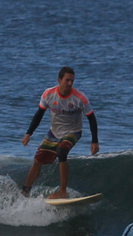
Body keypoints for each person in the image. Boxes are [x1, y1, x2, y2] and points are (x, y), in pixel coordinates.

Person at [20, 66, 99, 198]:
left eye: (72, 80)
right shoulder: (48, 94)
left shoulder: (80, 98)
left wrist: (94, 141)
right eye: (67, 80)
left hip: (73, 131)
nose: (70, 83)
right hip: (54, 132)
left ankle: (63, 191)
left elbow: (92, 118)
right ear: (59, 80)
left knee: (61, 151)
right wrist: (29, 133)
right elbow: (39, 114)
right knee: (37, 161)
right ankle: (25, 191)